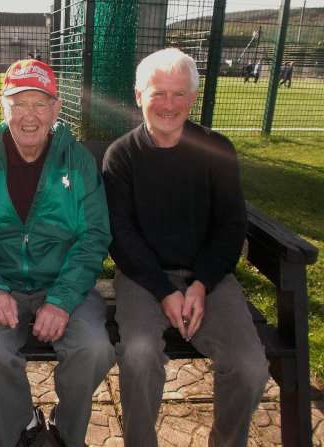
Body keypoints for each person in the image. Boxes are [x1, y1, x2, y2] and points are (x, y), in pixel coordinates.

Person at [102, 48, 269, 447]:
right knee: (140, 357)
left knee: (250, 367)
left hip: (208, 279)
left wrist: (200, 284)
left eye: (179, 94)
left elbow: (231, 226)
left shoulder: (217, 150)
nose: (169, 104)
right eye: (158, 93)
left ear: (193, 98)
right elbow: (120, 236)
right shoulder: (120, 156)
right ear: (139, 95)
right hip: (143, 278)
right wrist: (163, 291)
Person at [0, 58, 114, 447]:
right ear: (2, 105)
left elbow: (94, 236)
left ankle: (65, 428)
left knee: (94, 348)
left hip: (65, 285)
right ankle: (22, 425)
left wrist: (60, 300)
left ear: (56, 109)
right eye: (18, 103)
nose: (29, 116)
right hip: (1, 286)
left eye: (39, 104)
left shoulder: (77, 161)